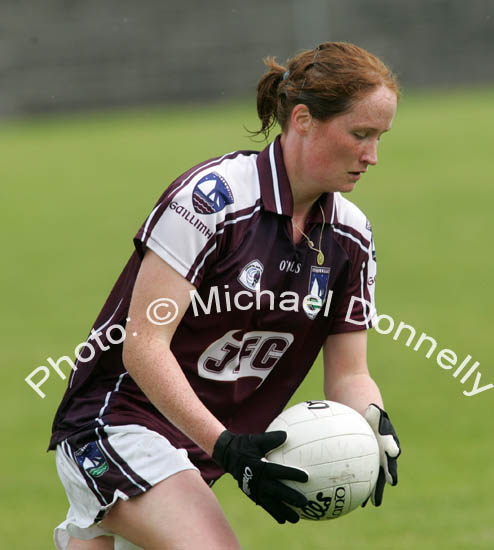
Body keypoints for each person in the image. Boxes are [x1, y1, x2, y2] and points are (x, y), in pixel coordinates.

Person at [49, 41, 402, 550]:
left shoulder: (351, 235)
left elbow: (349, 372)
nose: (372, 156)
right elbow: (143, 344)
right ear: (302, 119)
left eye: (380, 138)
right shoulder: (212, 201)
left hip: (199, 452)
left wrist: (373, 422)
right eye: (360, 134)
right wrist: (226, 444)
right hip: (116, 423)